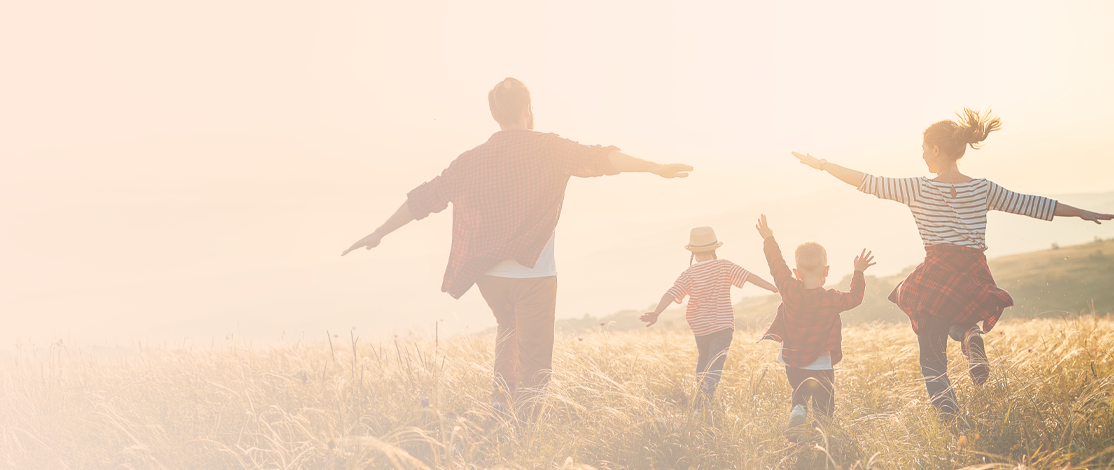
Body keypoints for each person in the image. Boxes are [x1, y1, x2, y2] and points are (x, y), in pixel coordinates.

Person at [342, 77, 694, 415]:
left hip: (488, 276)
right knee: (536, 359)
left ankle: (500, 402)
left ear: (495, 114)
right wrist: (654, 167)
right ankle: (524, 427)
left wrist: (380, 231)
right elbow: (601, 159)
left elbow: (425, 198)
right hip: (534, 275)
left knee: (507, 330)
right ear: (528, 108)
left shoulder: (470, 160)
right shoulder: (550, 148)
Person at [790, 109, 1114, 418]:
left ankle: (951, 419)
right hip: (974, 271)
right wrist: (1081, 212)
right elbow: (1030, 204)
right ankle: (969, 335)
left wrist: (822, 165)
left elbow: (866, 181)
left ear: (936, 149)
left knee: (932, 360)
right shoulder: (982, 188)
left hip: (937, 270)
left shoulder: (918, 188)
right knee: (955, 317)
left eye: (923, 149)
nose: (921, 155)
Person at [752, 215, 869, 441]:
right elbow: (855, 298)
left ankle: (798, 410)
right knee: (824, 404)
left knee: (800, 394)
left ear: (796, 273)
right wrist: (859, 272)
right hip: (822, 363)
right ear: (826, 271)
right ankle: (821, 438)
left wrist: (768, 237)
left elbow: (776, 264)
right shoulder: (832, 299)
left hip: (792, 360)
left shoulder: (788, 288)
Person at [638, 226, 776, 407]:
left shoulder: (688, 274)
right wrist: (775, 288)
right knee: (715, 366)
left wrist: (656, 312)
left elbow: (671, 293)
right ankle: (702, 404)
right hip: (722, 326)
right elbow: (750, 277)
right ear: (714, 249)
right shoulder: (724, 266)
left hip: (700, 327)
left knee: (703, 362)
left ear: (693, 252)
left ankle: (700, 400)